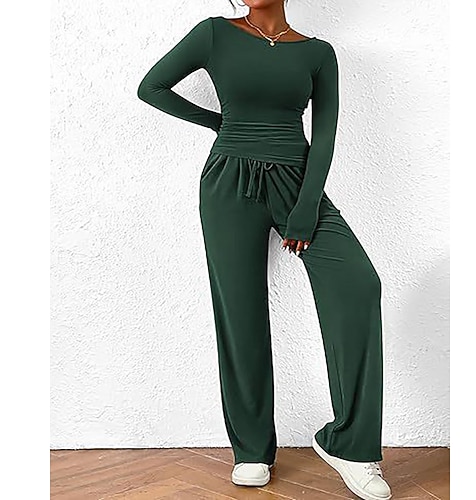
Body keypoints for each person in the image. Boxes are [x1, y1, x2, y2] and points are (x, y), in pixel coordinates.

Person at [137, 2, 392, 499]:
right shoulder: (214, 34)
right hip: (228, 183)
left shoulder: (318, 53)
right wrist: (218, 124)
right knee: (241, 313)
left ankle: (351, 445)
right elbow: (151, 87)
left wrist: (307, 206)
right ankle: (252, 449)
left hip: (298, 182)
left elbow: (325, 135)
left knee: (359, 285)